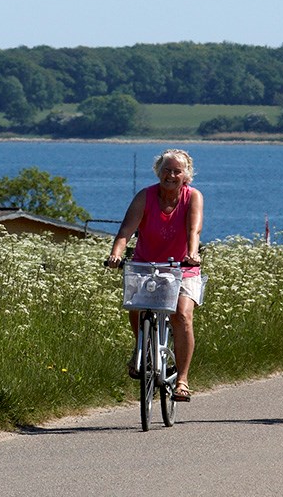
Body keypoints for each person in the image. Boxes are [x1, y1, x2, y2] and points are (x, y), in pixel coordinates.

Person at [106, 149, 203, 402]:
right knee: (135, 307)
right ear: (158, 171)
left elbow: (194, 230)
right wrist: (116, 254)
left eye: (177, 171)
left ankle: (182, 379)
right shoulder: (145, 196)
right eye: (166, 170)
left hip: (182, 265)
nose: (171, 175)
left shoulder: (192, 197)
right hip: (146, 264)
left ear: (186, 176)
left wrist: (192, 253)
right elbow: (126, 230)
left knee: (181, 315)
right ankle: (142, 350)